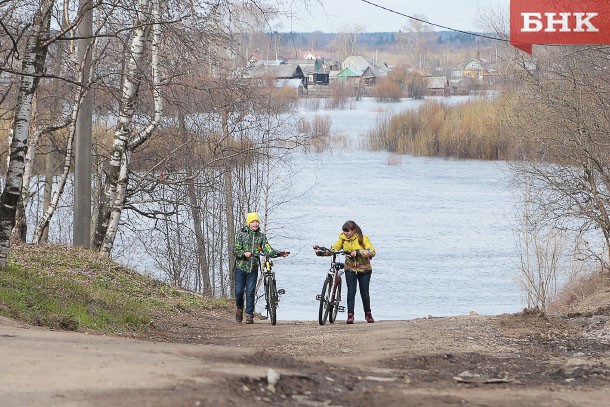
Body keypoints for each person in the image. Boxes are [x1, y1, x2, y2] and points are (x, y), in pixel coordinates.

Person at [314, 220, 376, 324]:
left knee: (364, 292)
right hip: (350, 269)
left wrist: (358, 252)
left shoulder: (363, 239)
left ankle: (368, 314)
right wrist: (320, 252)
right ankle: (350, 315)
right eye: (344, 231)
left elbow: (372, 252)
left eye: (347, 231)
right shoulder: (342, 239)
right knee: (351, 291)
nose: (345, 233)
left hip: (364, 269)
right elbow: (333, 249)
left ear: (354, 230)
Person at [233, 212, 288, 324]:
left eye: (256, 222)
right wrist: (244, 253)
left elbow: (268, 249)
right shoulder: (241, 234)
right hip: (240, 268)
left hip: (253, 269)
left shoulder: (261, 237)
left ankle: (249, 316)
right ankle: (239, 308)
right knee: (239, 292)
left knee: (250, 292)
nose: (255, 224)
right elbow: (235, 250)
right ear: (249, 223)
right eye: (253, 222)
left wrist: (280, 253)